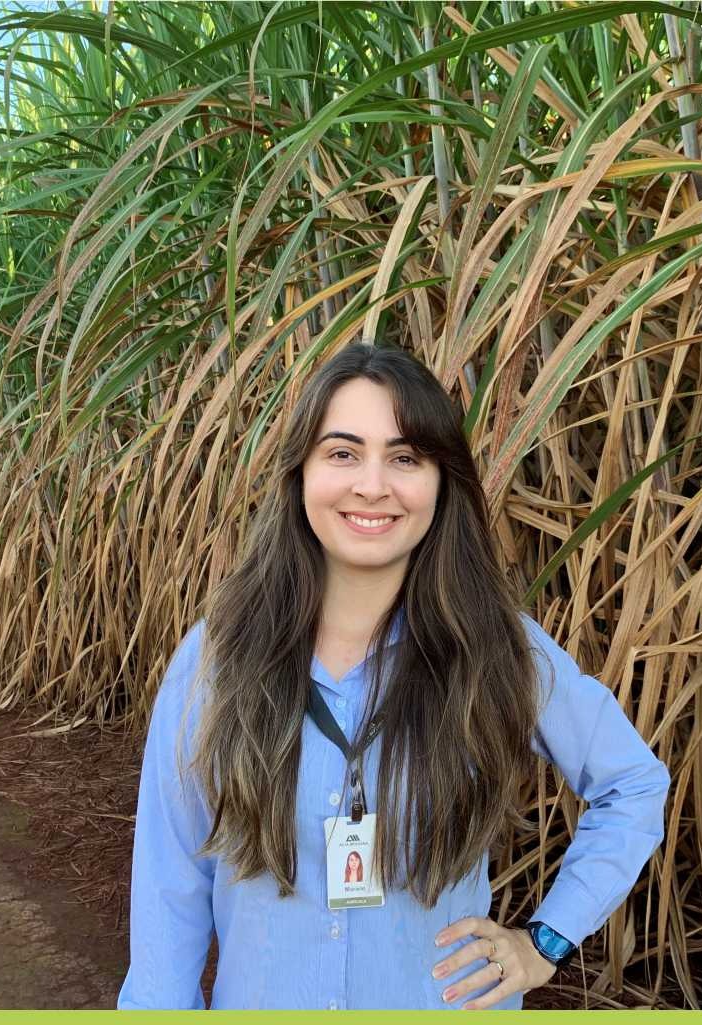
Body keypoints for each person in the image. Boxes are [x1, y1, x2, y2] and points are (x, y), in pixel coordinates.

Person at [117, 342, 670, 1010]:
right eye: (343, 453)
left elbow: (631, 782)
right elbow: (169, 888)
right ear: (300, 474)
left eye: (404, 457)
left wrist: (543, 942)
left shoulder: (496, 649)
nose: (372, 484)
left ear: (441, 481)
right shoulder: (216, 660)